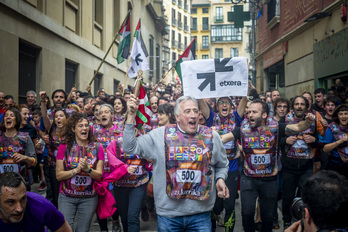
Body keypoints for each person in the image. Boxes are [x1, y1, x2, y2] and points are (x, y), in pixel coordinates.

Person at [123, 95, 230, 231]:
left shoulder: (211, 136)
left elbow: (221, 164)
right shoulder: (159, 135)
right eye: (187, 111)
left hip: (201, 215)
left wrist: (220, 179)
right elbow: (129, 147)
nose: (193, 115)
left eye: (195, 111)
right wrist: (131, 117)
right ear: (177, 117)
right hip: (169, 216)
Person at [220, 100, 316, 232]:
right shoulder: (242, 129)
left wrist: (309, 122)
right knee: (247, 213)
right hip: (249, 178)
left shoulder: (275, 127)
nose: (250, 115)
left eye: (254, 112)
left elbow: (299, 127)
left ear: (264, 115)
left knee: (268, 216)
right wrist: (203, 137)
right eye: (249, 112)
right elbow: (223, 138)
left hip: (269, 179)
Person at [199, 94, 247, 232]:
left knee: (230, 204)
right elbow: (200, 101)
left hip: (231, 167)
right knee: (215, 205)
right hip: (213, 167)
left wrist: (245, 88)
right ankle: (212, 228)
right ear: (216, 106)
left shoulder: (236, 118)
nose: (224, 105)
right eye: (221, 102)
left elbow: (244, 99)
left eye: (227, 103)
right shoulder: (211, 118)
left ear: (232, 107)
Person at [56, 113, 104, 232]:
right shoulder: (64, 147)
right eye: (80, 126)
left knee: (83, 230)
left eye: (86, 125)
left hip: (89, 198)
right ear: (73, 129)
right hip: (67, 196)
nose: (84, 128)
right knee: (65, 229)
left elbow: (99, 175)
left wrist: (88, 169)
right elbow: (59, 175)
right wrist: (76, 170)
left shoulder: (97, 147)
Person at [282, 96, 318, 229]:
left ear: (307, 107)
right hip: (289, 166)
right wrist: (284, 141)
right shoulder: (285, 120)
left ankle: (302, 223)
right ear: (293, 107)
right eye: (296, 104)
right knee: (287, 197)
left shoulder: (312, 121)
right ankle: (286, 220)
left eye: (302, 104)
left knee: (305, 197)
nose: (299, 106)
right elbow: (274, 140)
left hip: (306, 166)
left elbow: (318, 142)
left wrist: (313, 139)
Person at [0, 172, 72, 231]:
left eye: (23, 199)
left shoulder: (42, 206)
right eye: (11, 202)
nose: (19, 209)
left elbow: (64, 229)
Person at [92, 103, 122, 231]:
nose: (103, 114)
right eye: (100, 112)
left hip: (114, 174)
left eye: (106, 112)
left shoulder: (120, 130)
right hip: (98, 172)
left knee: (114, 201)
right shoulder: (92, 130)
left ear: (112, 115)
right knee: (100, 202)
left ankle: (115, 220)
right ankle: (103, 228)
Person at [0, 107, 36, 186]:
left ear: (17, 120)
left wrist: (25, 157)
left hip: (20, 183)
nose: (8, 117)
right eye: (6, 115)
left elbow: (34, 162)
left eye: (11, 115)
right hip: (1, 184)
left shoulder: (24, 138)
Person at [321, 104, 348, 179]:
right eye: (341, 114)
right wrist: (340, 141)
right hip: (335, 164)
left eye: (346, 114)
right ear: (337, 116)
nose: (344, 116)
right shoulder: (332, 128)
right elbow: (325, 149)